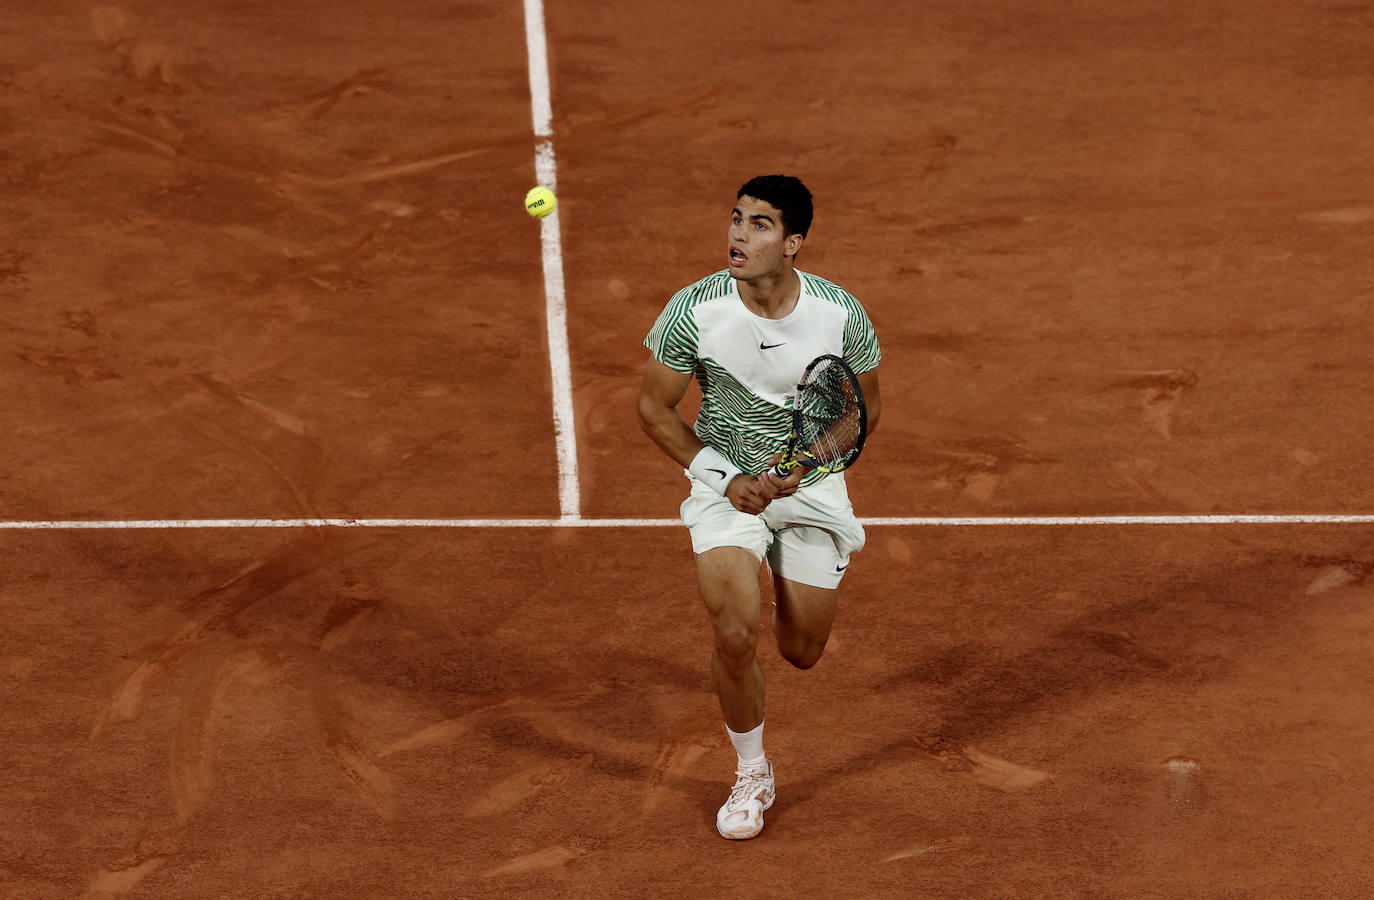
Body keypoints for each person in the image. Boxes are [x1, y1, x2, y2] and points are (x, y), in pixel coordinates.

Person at [636, 174, 882, 840]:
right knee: (735, 633)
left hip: (811, 490)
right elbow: (653, 408)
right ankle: (751, 772)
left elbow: (863, 413)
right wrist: (723, 478)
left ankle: (782, 565)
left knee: (802, 651)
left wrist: (809, 464)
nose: (738, 235)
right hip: (726, 490)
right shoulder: (696, 309)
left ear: (793, 242)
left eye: (760, 224)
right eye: (736, 218)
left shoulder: (839, 314)